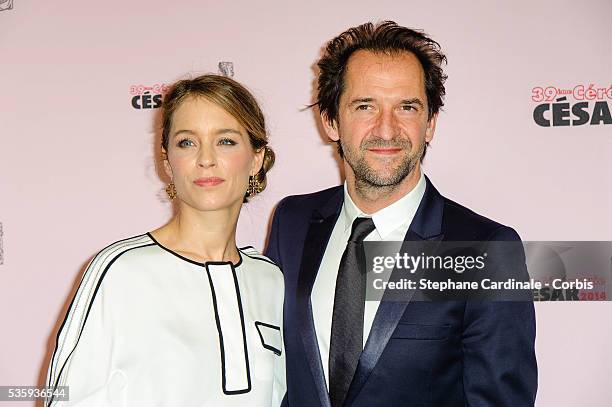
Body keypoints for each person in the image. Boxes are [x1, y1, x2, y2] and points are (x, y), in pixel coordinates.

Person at [265, 21, 537, 407]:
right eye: (365, 106)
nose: (386, 129)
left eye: (406, 107)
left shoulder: (484, 249)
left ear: (430, 123)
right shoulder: (292, 222)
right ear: (330, 121)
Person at [45, 74, 285, 406]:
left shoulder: (271, 279)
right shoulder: (120, 272)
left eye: (226, 141)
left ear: (257, 158)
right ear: (168, 162)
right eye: (187, 142)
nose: (205, 158)